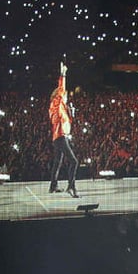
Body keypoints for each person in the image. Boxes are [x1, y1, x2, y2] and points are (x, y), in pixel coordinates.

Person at [48, 61, 79, 197]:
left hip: (60, 136)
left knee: (58, 161)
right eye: (65, 95)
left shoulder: (62, 108)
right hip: (60, 136)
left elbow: (68, 122)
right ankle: (71, 186)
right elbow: (61, 89)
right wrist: (63, 74)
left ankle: (53, 186)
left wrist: (71, 113)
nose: (66, 96)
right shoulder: (57, 103)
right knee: (74, 161)